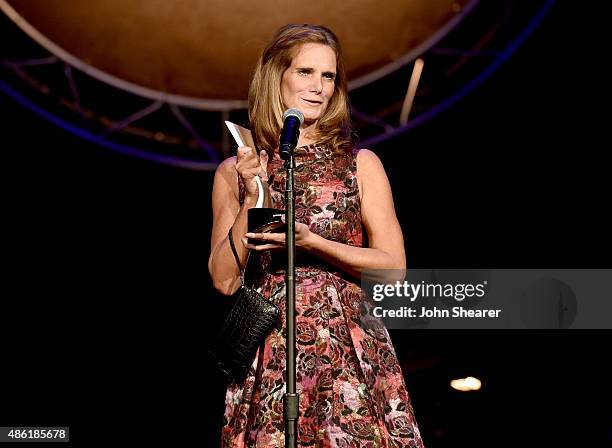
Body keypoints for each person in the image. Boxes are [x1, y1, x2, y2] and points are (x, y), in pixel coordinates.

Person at [209, 24, 425, 447]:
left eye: (328, 76)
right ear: (278, 77)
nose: (319, 87)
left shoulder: (360, 163)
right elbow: (223, 279)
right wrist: (252, 196)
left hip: (347, 342)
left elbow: (394, 266)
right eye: (306, 72)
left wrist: (313, 243)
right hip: (272, 346)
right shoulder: (234, 172)